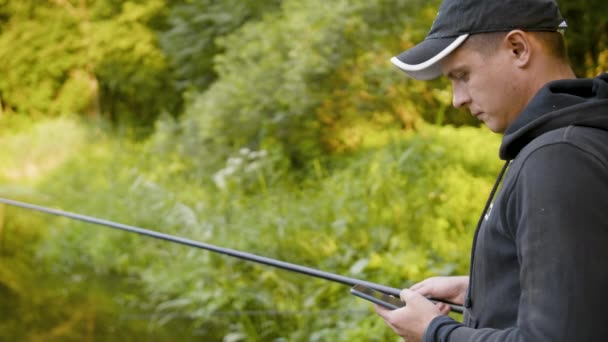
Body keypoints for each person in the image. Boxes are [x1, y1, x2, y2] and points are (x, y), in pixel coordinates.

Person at [373, 0, 608, 341]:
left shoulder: (558, 158)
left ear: (518, 48)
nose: (457, 99)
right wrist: (483, 288)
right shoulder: (573, 140)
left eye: (462, 75)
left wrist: (436, 332)